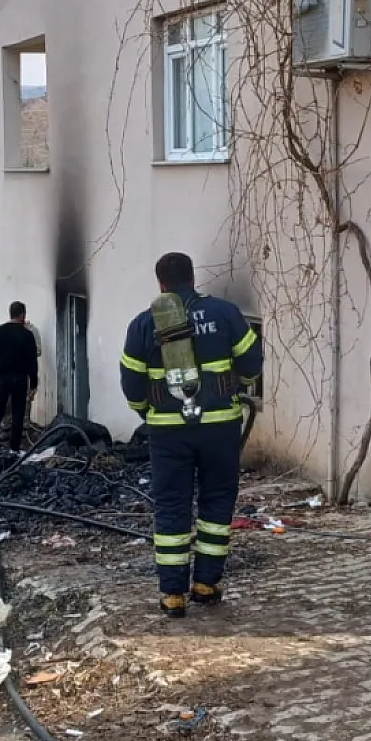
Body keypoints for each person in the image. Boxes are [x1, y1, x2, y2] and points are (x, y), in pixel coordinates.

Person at [119, 253, 263, 618]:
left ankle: (172, 595)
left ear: (161, 284)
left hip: (167, 432)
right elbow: (252, 363)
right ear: (193, 278)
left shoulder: (142, 324)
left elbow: (131, 381)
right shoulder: (225, 314)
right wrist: (233, 387)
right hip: (219, 426)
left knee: (171, 506)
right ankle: (206, 584)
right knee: (217, 501)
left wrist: (147, 411)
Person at [0, 300, 40, 451]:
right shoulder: (27, 335)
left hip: (2, 379)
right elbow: (32, 361)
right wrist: (33, 384)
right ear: (23, 315)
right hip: (20, 379)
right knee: (18, 413)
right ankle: (14, 448)